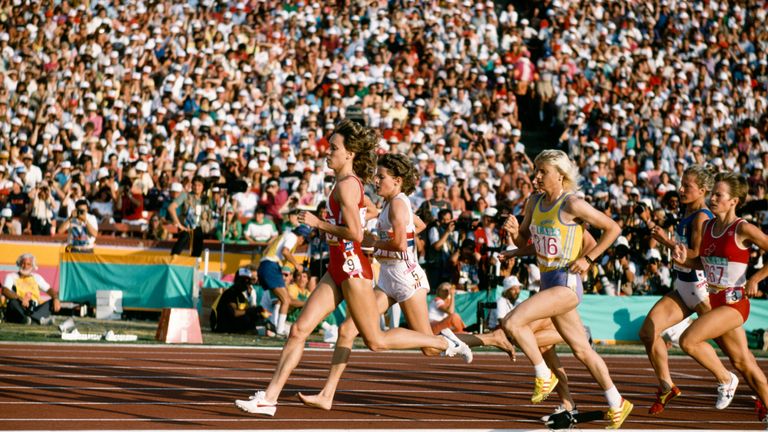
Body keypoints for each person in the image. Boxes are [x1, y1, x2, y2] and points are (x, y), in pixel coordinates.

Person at [235, 119, 471, 416]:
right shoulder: (348, 184)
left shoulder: (348, 186)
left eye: (333, 148)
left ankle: (441, 340)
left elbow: (357, 234)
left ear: (349, 154)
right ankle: (270, 398)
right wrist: (330, 227)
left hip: (353, 267)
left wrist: (318, 223)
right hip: (337, 265)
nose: (327, 152)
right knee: (298, 329)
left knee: (375, 340)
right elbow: (358, 225)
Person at [296, 152, 510, 412]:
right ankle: (327, 394)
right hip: (388, 276)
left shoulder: (398, 203)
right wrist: (396, 235)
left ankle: (492, 337)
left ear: (397, 181)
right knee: (347, 330)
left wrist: (376, 243)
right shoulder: (391, 204)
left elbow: (398, 243)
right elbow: (417, 225)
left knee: (429, 348)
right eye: (376, 175)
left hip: (407, 278)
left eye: (382, 176)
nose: (377, 180)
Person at [502, 149, 632, 429]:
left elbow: (613, 228)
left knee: (513, 322)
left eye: (542, 172)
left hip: (567, 283)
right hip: (548, 280)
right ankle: (617, 402)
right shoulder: (534, 201)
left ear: (560, 176)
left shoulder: (571, 204)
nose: (536, 176)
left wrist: (588, 258)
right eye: (535, 170)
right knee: (582, 351)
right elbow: (529, 240)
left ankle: (543, 374)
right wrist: (514, 240)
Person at [672, 172, 768, 421]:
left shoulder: (743, 228)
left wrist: (756, 278)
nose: (712, 198)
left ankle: (726, 380)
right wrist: (686, 260)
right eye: (712, 193)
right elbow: (702, 264)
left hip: (734, 304)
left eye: (718, 195)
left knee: (688, 340)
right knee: (743, 362)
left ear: (734, 200)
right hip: (715, 300)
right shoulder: (708, 226)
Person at [638, 165, 715, 414]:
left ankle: (748, 387)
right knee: (648, 332)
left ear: (703, 190)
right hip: (683, 287)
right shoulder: (687, 211)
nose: (680, 189)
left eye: (687, 186)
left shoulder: (702, 217)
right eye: (681, 184)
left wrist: (666, 241)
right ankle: (666, 386)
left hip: (700, 289)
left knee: (735, 352)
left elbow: (697, 256)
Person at [256, 224, 311, 337]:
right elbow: (285, 252)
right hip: (271, 266)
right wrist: (296, 265)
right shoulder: (292, 237)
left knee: (281, 300)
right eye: (304, 241)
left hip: (265, 265)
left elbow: (266, 250)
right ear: (301, 237)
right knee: (286, 300)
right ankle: (279, 330)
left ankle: (271, 325)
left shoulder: (283, 235)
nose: (302, 244)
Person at [211, 265, 270, 334]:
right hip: (220, 325)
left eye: (249, 280)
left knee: (255, 318)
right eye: (245, 280)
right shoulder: (230, 293)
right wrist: (251, 310)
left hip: (230, 323)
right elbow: (234, 313)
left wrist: (257, 311)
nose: (248, 283)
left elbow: (246, 311)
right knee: (246, 320)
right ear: (238, 280)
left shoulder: (241, 295)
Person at [2, 254, 59, 325]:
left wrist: (56, 298)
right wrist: (21, 299)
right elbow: (5, 291)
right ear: (19, 264)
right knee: (12, 302)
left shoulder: (37, 277)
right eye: (23, 263)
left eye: (28, 264)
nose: (25, 266)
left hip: (34, 308)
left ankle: (29, 319)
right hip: (20, 306)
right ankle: (38, 319)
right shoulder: (11, 276)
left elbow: (49, 289)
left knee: (52, 302)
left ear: (33, 266)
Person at [168, 176, 211, 257]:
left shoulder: (206, 199)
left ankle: (194, 264)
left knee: (198, 245)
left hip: (199, 229)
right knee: (184, 237)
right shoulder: (185, 195)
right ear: (192, 186)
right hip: (186, 227)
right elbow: (171, 208)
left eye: (199, 185)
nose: (196, 187)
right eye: (195, 185)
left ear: (203, 187)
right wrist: (178, 224)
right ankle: (172, 261)